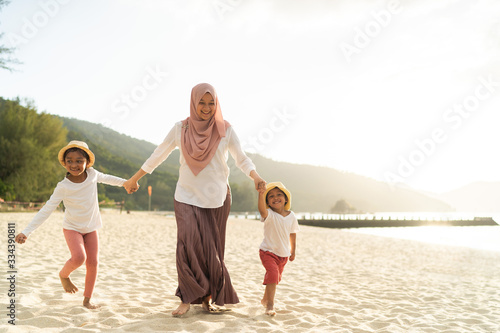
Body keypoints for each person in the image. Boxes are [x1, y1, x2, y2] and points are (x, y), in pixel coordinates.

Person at [123, 83, 266, 316]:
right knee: (187, 245)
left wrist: (255, 176)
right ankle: (186, 297)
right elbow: (159, 153)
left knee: (211, 250)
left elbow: (241, 158)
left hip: (217, 198)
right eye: (202, 102)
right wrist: (134, 178)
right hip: (186, 196)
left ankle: (206, 299)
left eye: (211, 103)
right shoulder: (180, 128)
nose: (207, 108)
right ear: (193, 102)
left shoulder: (225, 130)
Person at [15, 141, 128, 309]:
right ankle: (63, 275)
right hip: (72, 228)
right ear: (64, 163)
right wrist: (27, 231)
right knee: (79, 258)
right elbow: (47, 209)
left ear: (87, 162)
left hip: (91, 228)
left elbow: (109, 179)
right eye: (69, 160)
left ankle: (87, 300)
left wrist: (127, 182)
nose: (74, 165)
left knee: (93, 262)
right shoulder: (63, 186)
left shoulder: (93, 174)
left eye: (79, 161)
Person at [257, 181, 299, 316]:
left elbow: (293, 233)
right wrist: (261, 194)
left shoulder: (291, 216)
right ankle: (270, 305)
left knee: (274, 279)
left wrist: (293, 251)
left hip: (283, 254)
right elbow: (261, 211)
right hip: (267, 252)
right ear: (268, 202)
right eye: (271, 196)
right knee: (273, 275)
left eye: (279, 194)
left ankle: (265, 299)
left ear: (286, 199)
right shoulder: (269, 214)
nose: (275, 198)